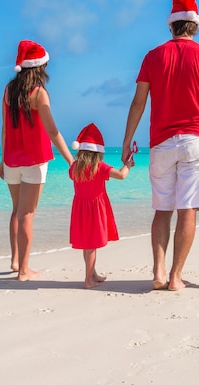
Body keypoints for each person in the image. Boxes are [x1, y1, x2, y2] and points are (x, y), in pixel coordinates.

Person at [122, 0, 199, 291]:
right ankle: (175, 276)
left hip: (160, 143)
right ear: (195, 26)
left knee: (162, 210)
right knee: (188, 210)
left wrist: (126, 140)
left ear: (171, 26)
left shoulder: (152, 56)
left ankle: (158, 272)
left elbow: (138, 103)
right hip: (195, 140)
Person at [0, 40, 74, 281]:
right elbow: (53, 131)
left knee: (16, 211)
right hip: (34, 160)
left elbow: (5, 129)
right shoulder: (39, 93)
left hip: (11, 160)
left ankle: (15, 260)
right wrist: (71, 161)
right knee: (27, 214)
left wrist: (2, 159)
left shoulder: (9, 90)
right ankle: (24, 271)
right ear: (39, 67)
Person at [69, 123, 132, 288]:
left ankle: (93, 274)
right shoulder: (100, 167)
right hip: (95, 209)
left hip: (80, 209)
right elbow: (122, 175)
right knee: (91, 245)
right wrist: (128, 165)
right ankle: (88, 280)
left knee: (87, 244)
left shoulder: (74, 168)